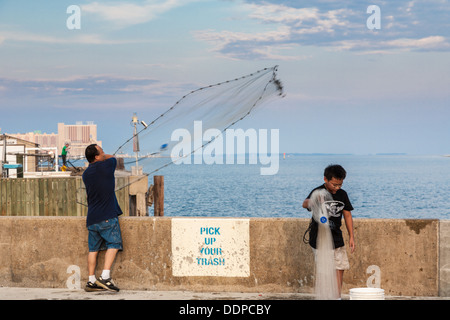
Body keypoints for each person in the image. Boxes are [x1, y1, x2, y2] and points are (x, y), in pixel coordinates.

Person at [302, 164, 355, 298]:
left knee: (340, 267)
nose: (337, 188)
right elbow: (305, 204)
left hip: (337, 237)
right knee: (325, 270)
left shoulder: (342, 194)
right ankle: (325, 296)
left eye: (340, 185)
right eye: (334, 185)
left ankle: (337, 297)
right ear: (326, 179)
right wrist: (313, 201)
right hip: (319, 238)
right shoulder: (318, 191)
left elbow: (347, 215)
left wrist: (352, 237)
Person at [82, 144, 123, 292]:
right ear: (97, 156)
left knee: (93, 249)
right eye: (102, 151)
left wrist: (101, 156)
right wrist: (105, 156)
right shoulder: (107, 166)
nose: (104, 153)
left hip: (92, 218)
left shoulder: (86, 174)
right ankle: (105, 277)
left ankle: (91, 280)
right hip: (107, 216)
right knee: (114, 244)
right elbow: (113, 158)